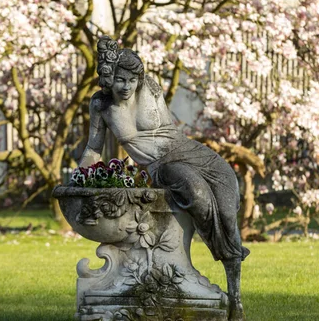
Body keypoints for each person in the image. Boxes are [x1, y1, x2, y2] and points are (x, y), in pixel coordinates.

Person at [78, 36, 248, 321]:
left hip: (192, 152)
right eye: (120, 79)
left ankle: (236, 297)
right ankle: (214, 262)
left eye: (132, 79)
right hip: (162, 165)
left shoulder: (150, 88)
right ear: (110, 78)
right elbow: (93, 149)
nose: (126, 86)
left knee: (228, 210)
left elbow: (169, 132)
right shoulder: (102, 106)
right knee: (199, 197)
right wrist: (82, 177)